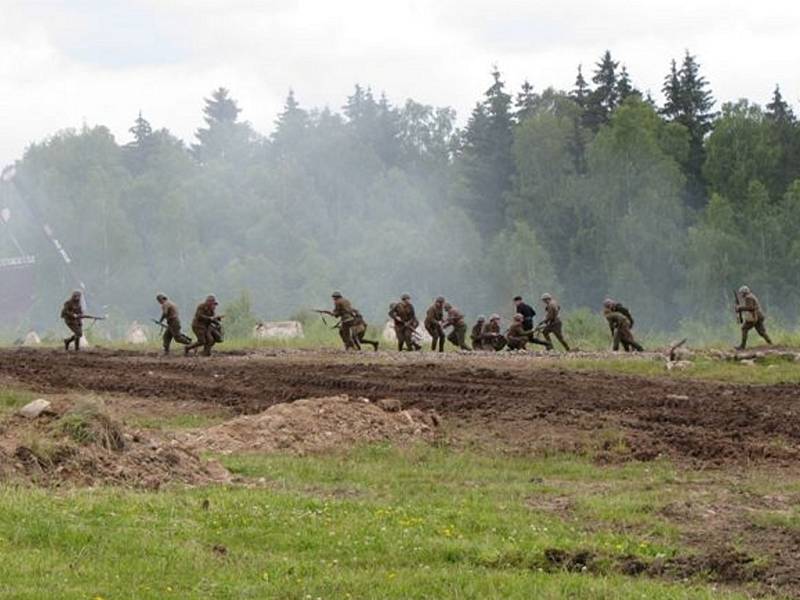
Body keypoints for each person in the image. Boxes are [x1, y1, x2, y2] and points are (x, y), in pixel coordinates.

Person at [735, 285, 773, 350]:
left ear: (744, 292)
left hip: (754, 316)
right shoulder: (751, 296)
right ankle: (771, 344)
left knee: (744, 328)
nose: (741, 295)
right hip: (758, 316)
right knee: (761, 332)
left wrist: (740, 308)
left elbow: (750, 307)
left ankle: (742, 346)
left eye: (742, 293)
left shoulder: (748, 297)